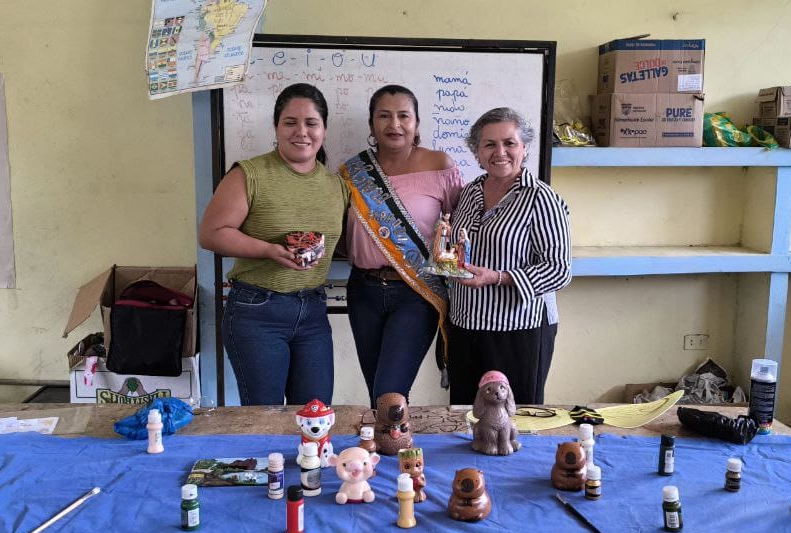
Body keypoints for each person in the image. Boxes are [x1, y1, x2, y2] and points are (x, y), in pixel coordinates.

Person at [198, 83, 349, 406]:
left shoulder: (336, 185)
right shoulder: (250, 174)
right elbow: (211, 233)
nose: (301, 132)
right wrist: (270, 250)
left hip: (313, 311)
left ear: (324, 129)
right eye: (290, 122)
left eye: (311, 123)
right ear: (276, 127)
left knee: (315, 414)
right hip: (257, 311)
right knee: (264, 418)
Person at [339, 85, 462, 404]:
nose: (394, 124)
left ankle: (393, 436)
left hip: (416, 293)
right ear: (371, 124)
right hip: (363, 291)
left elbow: (459, 227)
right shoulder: (351, 172)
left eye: (403, 116)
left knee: (389, 393)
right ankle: (384, 438)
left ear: (416, 123)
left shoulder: (440, 165)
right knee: (378, 395)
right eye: (384, 116)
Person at [447, 108, 571, 405]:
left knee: (516, 416)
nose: (500, 152)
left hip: (517, 329)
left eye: (509, 143)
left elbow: (559, 270)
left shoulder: (541, 198)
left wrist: (498, 277)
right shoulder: (469, 193)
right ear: (477, 151)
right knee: (466, 414)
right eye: (489, 144)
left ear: (524, 147)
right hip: (465, 324)